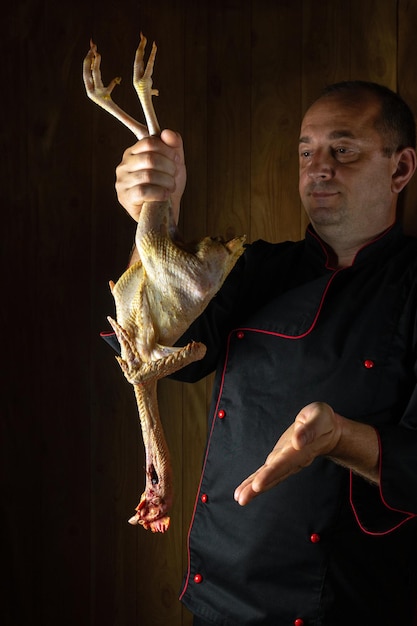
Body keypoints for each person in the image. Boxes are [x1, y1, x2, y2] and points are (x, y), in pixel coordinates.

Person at [113, 81, 417, 625]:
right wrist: (153, 217)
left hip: (347, 605)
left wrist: (341, 439)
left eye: (342, 150)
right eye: (306, 152)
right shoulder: (254, 269)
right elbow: (158, 347)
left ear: (400, 170)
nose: (318, 168)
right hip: (218, 598)